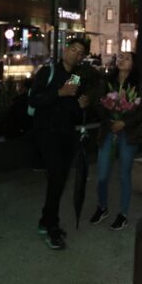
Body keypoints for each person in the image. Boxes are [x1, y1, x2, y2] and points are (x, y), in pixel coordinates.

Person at [27, 37, 91, 250]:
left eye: (81, 53)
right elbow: (34, 99)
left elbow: (72, 110)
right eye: (73, 49)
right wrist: (58, 93)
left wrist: (82, 104)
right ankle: (51, 226)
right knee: (56, 174)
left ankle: (46, 220)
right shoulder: (48, 71)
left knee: (60, 179)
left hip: (66, 134)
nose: (76, 55)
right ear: (65, 49)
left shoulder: (74, 77)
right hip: (46, 132)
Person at [89, 51, 142, 231]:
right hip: (108, 131)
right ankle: (102, 206)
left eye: (127, 58)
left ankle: (123, 213)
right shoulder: (107, 82)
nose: (122, 60)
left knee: (123, 175)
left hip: (128, 134)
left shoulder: (138, 85)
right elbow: (98, 103)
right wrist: (110, 120)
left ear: (134, 64)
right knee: (103, 174)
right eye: (120, 57)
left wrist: (124, 122)